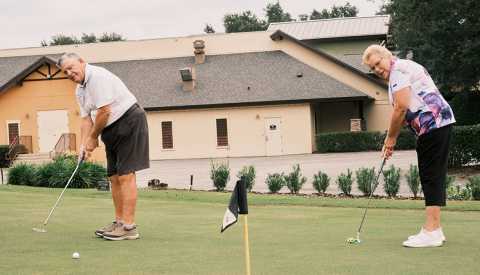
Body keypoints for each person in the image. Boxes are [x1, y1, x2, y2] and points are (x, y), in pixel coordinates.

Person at [362, 45, 455, 248]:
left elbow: (401, 107)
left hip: (433, 124)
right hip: (434, 125)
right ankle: (434, 229)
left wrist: (390, 139)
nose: (377, 69)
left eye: (378, 63)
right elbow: (406, 107)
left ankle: (431, 232)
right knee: (431, 176)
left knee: (431, 176)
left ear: (387, 56)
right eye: (373, 68)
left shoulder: (398, 71)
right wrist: (392, 140)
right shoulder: (401, 69)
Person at [57, 53, 149, 241]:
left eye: (71, 67)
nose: (69, 73)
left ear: (82, 62)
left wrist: (93, 138)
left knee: (125, 175)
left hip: (129, 121)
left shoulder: (97, 77)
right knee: (113, 177)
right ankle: (119, 222)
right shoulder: (79, 90)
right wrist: (84, 145)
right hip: (110, 127)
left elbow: (104, 111)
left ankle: (129, 227)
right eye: (65, 71)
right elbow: (85, 119)